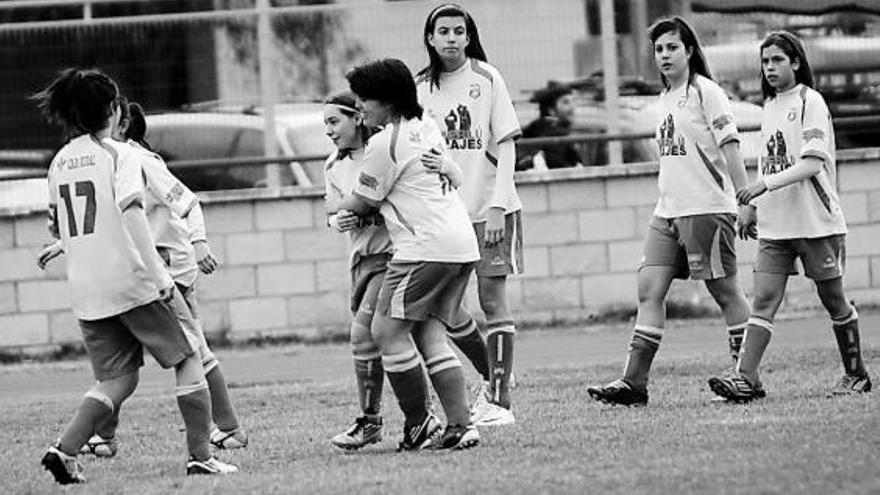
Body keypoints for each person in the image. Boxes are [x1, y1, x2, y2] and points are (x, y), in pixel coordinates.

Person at [32, 68, 236, 484]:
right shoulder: (119, 154)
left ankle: (65, 450)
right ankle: (202, 456)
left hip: (88, 290)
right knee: (189, 355)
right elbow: (130, 212)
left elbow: (63, 228)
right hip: (135, 282)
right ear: (113, 109)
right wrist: (158, 274)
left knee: (118, 378)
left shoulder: (58, 163)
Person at [587, 16, 752, 406]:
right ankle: (634, 383)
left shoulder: (705, 92)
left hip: (706, 210)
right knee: (649, 288)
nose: (664, 55)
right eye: (659, 49)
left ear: (689, 50)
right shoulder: (663, 99)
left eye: (672, 47)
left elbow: (730, 147)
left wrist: (745, 200)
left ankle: (747, 375)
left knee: (725, 291)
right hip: (668, 212)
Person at [708, 31, 871, 401]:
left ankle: (856, 374)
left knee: (833, 300)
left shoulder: (810, 101)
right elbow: (772, 161)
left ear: (795, 62)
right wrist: (752, 207)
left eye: (777, 60)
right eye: (765, 62)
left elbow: (812, 163)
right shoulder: (770, 106)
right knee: (764, 300)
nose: (770, 68)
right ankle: (745, 379)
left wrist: (761, 186)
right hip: (776, 226)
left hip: (815, 222)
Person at [337, 58, 480, 450]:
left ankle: (420, 424)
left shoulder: (385, 142)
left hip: (423, 248)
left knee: (384, 332)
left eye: (364, 99)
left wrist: (336, 211)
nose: (360, 107)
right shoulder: (425, 125)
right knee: (429, 334)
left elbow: (364, 202)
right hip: (459, 242)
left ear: (388, 100)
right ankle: (461, 424)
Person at [416, 3, 522, 426]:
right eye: (443, 31)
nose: (452, 38)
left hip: (489, 210)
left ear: (468, 35)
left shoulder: (487, 77)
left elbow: (507, 144)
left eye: (459, 31)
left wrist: (498, 203)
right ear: (430, 38)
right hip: (445, 218)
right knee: (447, 306)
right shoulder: (419, 87)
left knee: (492, 300)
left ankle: (499, 403)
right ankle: (496, 377)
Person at [321, 91, 394, 450]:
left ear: (358, 118)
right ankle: (485, 391)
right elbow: (331, 212)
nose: (329, 131)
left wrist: (363, 210)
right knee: (433, 334)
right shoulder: (333, 165)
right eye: (326, 124)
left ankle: (372, 421)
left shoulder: (382, 151)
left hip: (395, 256)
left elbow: (394, 200)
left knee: (363, 335)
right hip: (362, 260)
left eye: (334, 122)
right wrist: (340, 218)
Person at [520, 81, 583, 170]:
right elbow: (556, 164)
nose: (572, 107)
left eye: (573, 101)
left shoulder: (535, 129)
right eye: (565, 102)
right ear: (551, 110)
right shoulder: (556, 132)